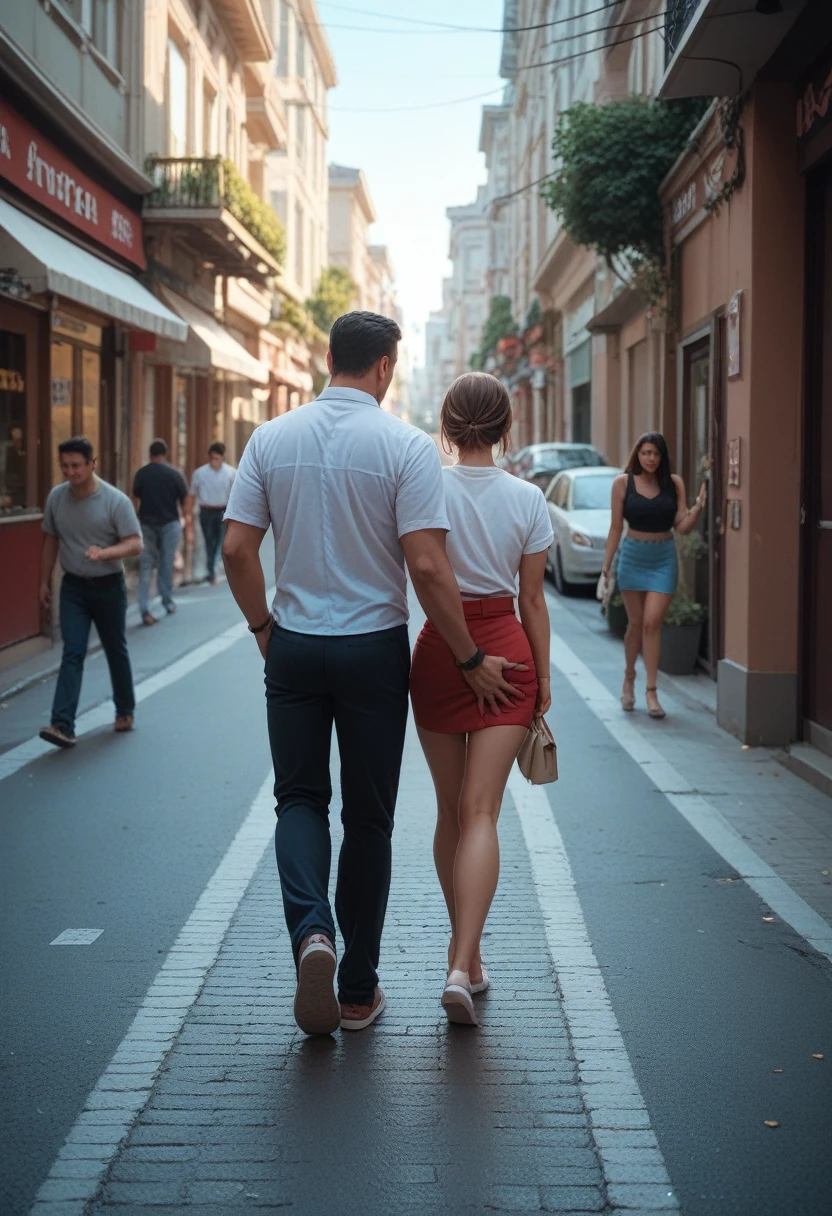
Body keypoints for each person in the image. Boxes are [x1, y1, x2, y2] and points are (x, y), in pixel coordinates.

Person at [222, 311, 525, 1037]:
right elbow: (426, 565)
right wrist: (469, 655)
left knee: (297, 799)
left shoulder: (271, 438)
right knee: (369, 818)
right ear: (387, 366)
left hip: (293, 644)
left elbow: (236, 549)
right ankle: (357, 990)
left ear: (330, 358)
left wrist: (264, 626)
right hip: (373, 650)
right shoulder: (405, 447)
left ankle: (312, 935)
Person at [409, 373, 552, 1028]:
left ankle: (463, 957)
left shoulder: (425, 486)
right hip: (509, 652)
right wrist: (541, 679)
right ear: (506, 425)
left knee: (449, 812)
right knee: (484, 812)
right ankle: (464, 963)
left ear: (447, 422)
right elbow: (531, 601)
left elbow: (420, 571)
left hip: (442, 648)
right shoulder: (527, 498)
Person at [38, 436, 143, 749]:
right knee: (73, 651)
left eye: (76, 465)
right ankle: (62, 724)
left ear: (92, 463)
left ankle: (125, 708)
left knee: (115, 648)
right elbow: (50, 540)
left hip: (108, 586)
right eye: (64, 466)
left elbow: (136, 543)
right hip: (73, 587)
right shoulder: (57, 498)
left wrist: (106, 553)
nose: (70, 472)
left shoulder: (114, 501)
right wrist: (43, 581)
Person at [601, 431, 708, 720]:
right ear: (637, 454)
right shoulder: (622, 483)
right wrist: (607, 565)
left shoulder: (673, 483)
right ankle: (628, 678)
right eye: (646, 452)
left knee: (652, 623)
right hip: (633, 556)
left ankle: (651, 691)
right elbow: (614, 528)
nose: (650, 458)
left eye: (656, 454)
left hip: (663, 558)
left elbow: (682, 525)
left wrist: (698, 508)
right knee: (635, 624)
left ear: (662, 457)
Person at [132, 439, 188, 625]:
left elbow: (135, 499)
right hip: (169, 523)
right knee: (166, 563)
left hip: (146, 523)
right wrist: (185, 520)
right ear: (166, 454)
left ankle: (143, 608)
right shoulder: (174, 474)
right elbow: (183, 499)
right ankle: (167, 602)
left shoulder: (141, 474)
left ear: (150, 454)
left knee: (146, 566)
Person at [186, 442, 236, 584]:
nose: (215, 461)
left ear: (222, 457)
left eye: (217, 458)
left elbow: (235, 494)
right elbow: (192, 494)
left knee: (221, 540)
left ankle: (214, 567)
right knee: (209, 541)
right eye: (212, 458)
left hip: (223, 510)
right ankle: (210, 569)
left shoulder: (231, 473)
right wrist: (188, 514)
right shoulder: (200, 473)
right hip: (206, 510)